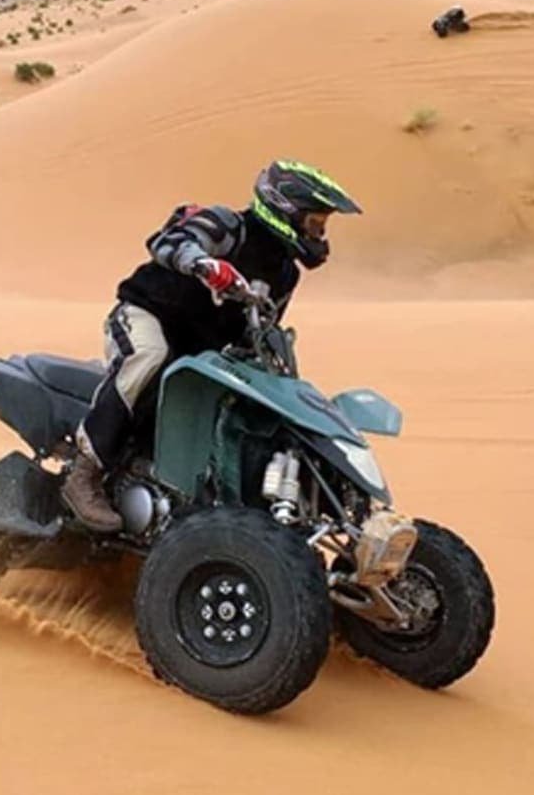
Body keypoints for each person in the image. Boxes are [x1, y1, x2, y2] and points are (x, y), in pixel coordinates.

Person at [61, 159, 362, 532]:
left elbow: (261, 328)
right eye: (315, 222)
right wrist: (203, 263)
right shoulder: (228, 225)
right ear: (285, 211)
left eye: (322, 225)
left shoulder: (285, 273)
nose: (319, 233)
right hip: (147, 316)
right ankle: (84, 473)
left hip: (200, 352)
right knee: (148, 356)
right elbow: (168, 242)